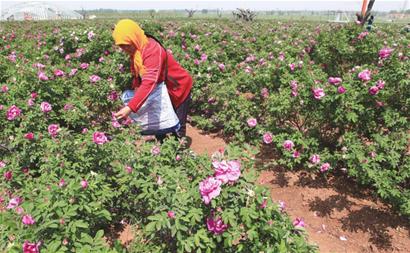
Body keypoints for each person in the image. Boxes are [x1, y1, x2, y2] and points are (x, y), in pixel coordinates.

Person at [112, 19, 193, 141]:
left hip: (178, 88)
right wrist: (136, 93)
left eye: (127, 45)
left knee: (177, 126)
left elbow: (150, 81)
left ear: (134, 37)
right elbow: (138, 76)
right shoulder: (137, 50)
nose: (125, 49)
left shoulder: (152, 50)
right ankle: (161, 153)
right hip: (161, 89)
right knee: (159, 124)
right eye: (121, 46)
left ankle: (178, 155)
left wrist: (130, 107)